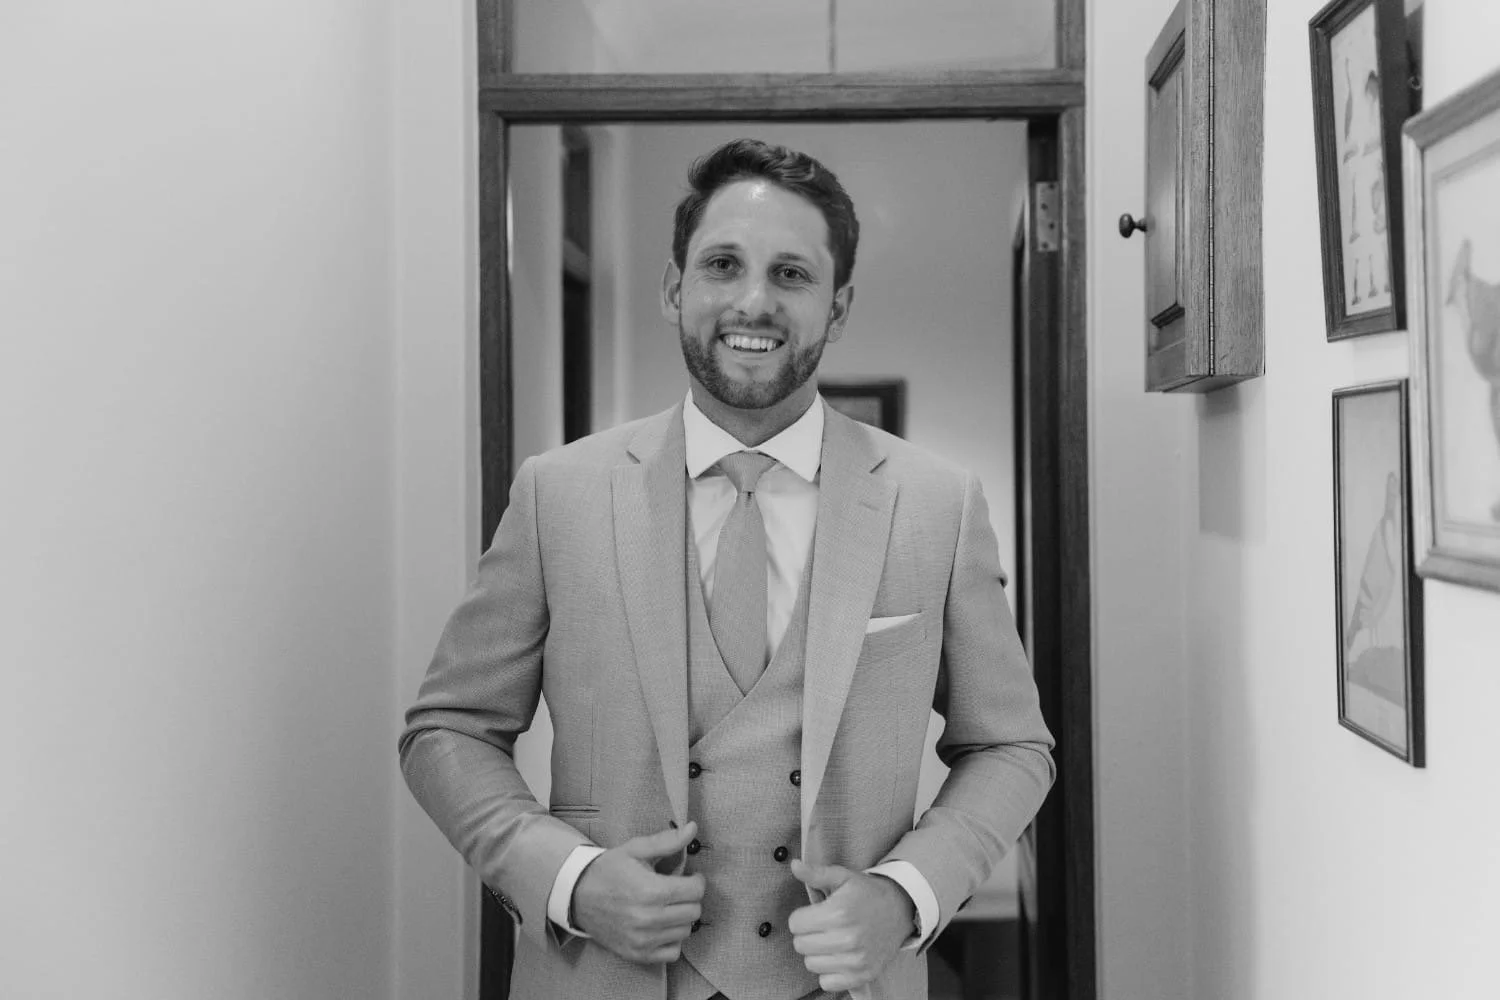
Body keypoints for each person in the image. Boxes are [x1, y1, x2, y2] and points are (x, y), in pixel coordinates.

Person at [399, 137, 1055, 1000]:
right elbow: (447, 729)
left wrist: (906, 895)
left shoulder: (938, 504)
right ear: (675, 288)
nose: (754, 300)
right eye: (723, 264)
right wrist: (569, 880)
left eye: (792, 273)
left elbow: (1011, 745)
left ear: (837, 307)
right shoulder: (557, 492)